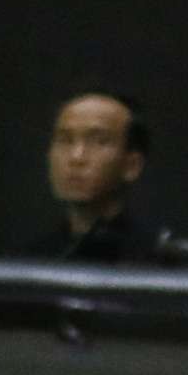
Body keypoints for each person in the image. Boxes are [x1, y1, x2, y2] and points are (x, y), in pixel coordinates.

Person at [25, 89, 157, 261]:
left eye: (99, 141)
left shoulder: (158, 264)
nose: (76, 157)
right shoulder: (31, 262)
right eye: (65, 140)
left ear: (132, 165)